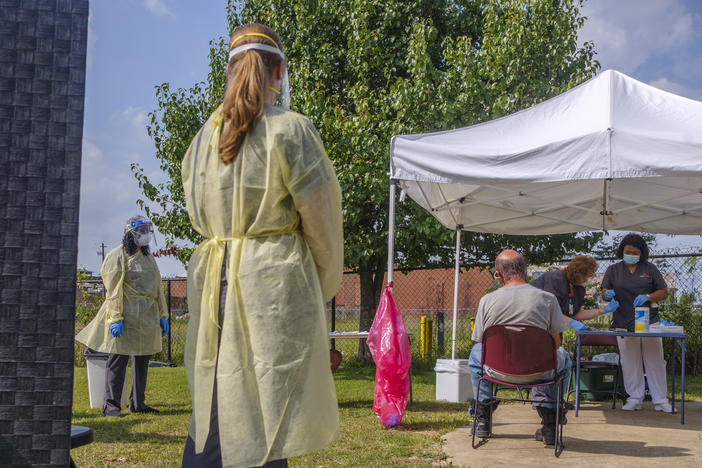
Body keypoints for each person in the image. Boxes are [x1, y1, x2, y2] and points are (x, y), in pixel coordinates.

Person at [180, 23, 344, 468]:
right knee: (267, 407)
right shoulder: (291, 131)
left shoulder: (201, 142)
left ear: (230, 71)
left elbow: (199, 214)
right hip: (272, 290)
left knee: (216, 402)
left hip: (214, 283)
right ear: (280, 72)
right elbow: (323, 223)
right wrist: (322, 284)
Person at [469, 250, 570, 446]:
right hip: (540, 372)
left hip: (497, 371)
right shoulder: (547, 299)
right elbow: (556, 343)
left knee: (475, 354)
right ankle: (550, 424)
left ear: (497, 274)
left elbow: (481, 340)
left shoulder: (487, 301)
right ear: (525, 270)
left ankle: (482, 419)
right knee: (563, 358)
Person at [76, 215, 168, 417]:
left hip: (146, 317)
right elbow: (114, 290)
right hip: (126, 315)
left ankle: (138, 403)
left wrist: (163, 314)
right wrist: (116, 318)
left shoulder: (148, 258)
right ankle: (111, 405)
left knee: (142, 359)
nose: (145, 234)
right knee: (118, 359)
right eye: (141, 230)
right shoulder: (118, 256)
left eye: (147, 230)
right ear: (131, 233)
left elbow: (158, 288)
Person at [601, 233, 671, 412]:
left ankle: (661, 400)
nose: (630, 254)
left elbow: (663, 292)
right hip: (622, 321)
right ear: (622, 251)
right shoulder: (613, 270)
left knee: (655, 360)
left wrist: (648, 296)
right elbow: (604, 292)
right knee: (629, 361)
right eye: (627, 251)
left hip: (649, 321)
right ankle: (634, 398)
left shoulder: (649, 268)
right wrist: (607, 295)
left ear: (642, 253)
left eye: (634, 252)